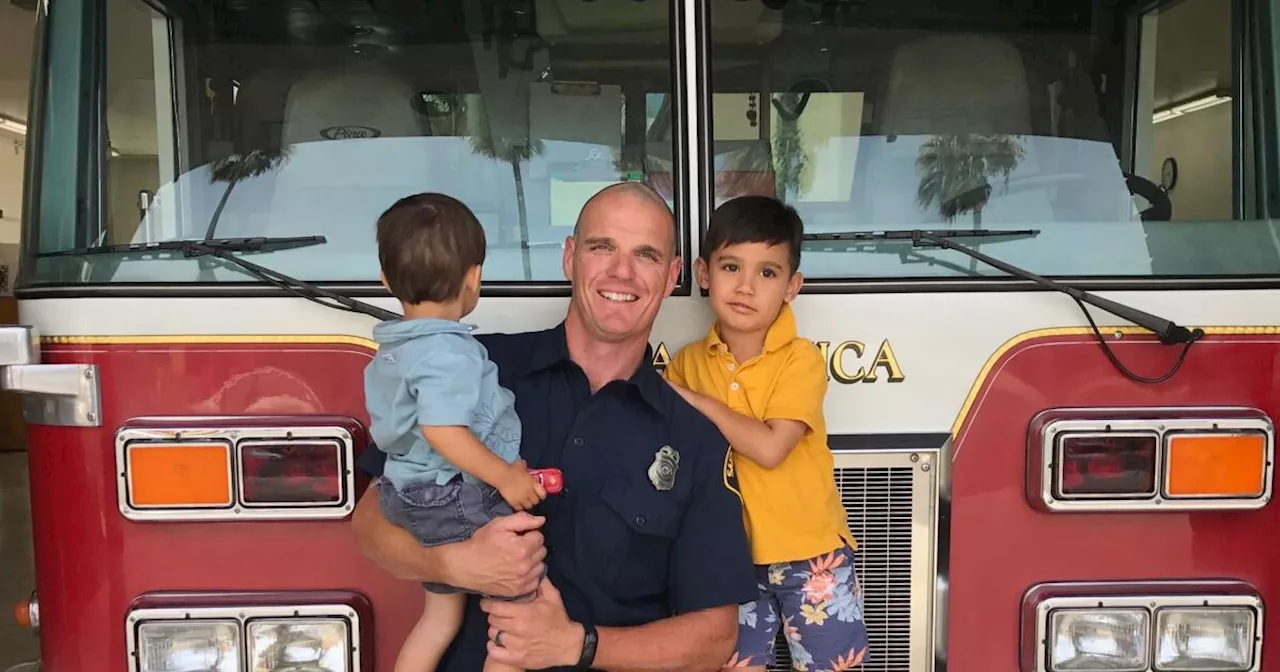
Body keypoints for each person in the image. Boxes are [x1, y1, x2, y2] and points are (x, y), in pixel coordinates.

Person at [351, 182, 759, 671]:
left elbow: (714, 637)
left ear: (672, 276)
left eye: (646, 255)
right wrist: (450, 565)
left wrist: (577, 646)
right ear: (569, 257)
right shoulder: (478, 367)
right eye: (601, 246)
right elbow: (370, 523)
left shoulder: (695, 438)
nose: (621, 271)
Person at [664, 195, 870, 671]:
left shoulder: (801, 360)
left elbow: (772, 448)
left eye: (768, 273)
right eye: (731, 266)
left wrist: (697, 401)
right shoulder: (687, 363)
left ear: (792, 285)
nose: (746, 286)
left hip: (812, 556)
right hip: (728, 560)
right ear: (702, 273)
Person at [364, 193, 546, 672]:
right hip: (448, 496)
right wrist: (506, 477)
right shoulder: (450, 351)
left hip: (404, 494)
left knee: (439, 618)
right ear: (474, 278)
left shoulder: (392, 350)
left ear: (386, 280)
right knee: (519, 606)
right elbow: (443, 431)